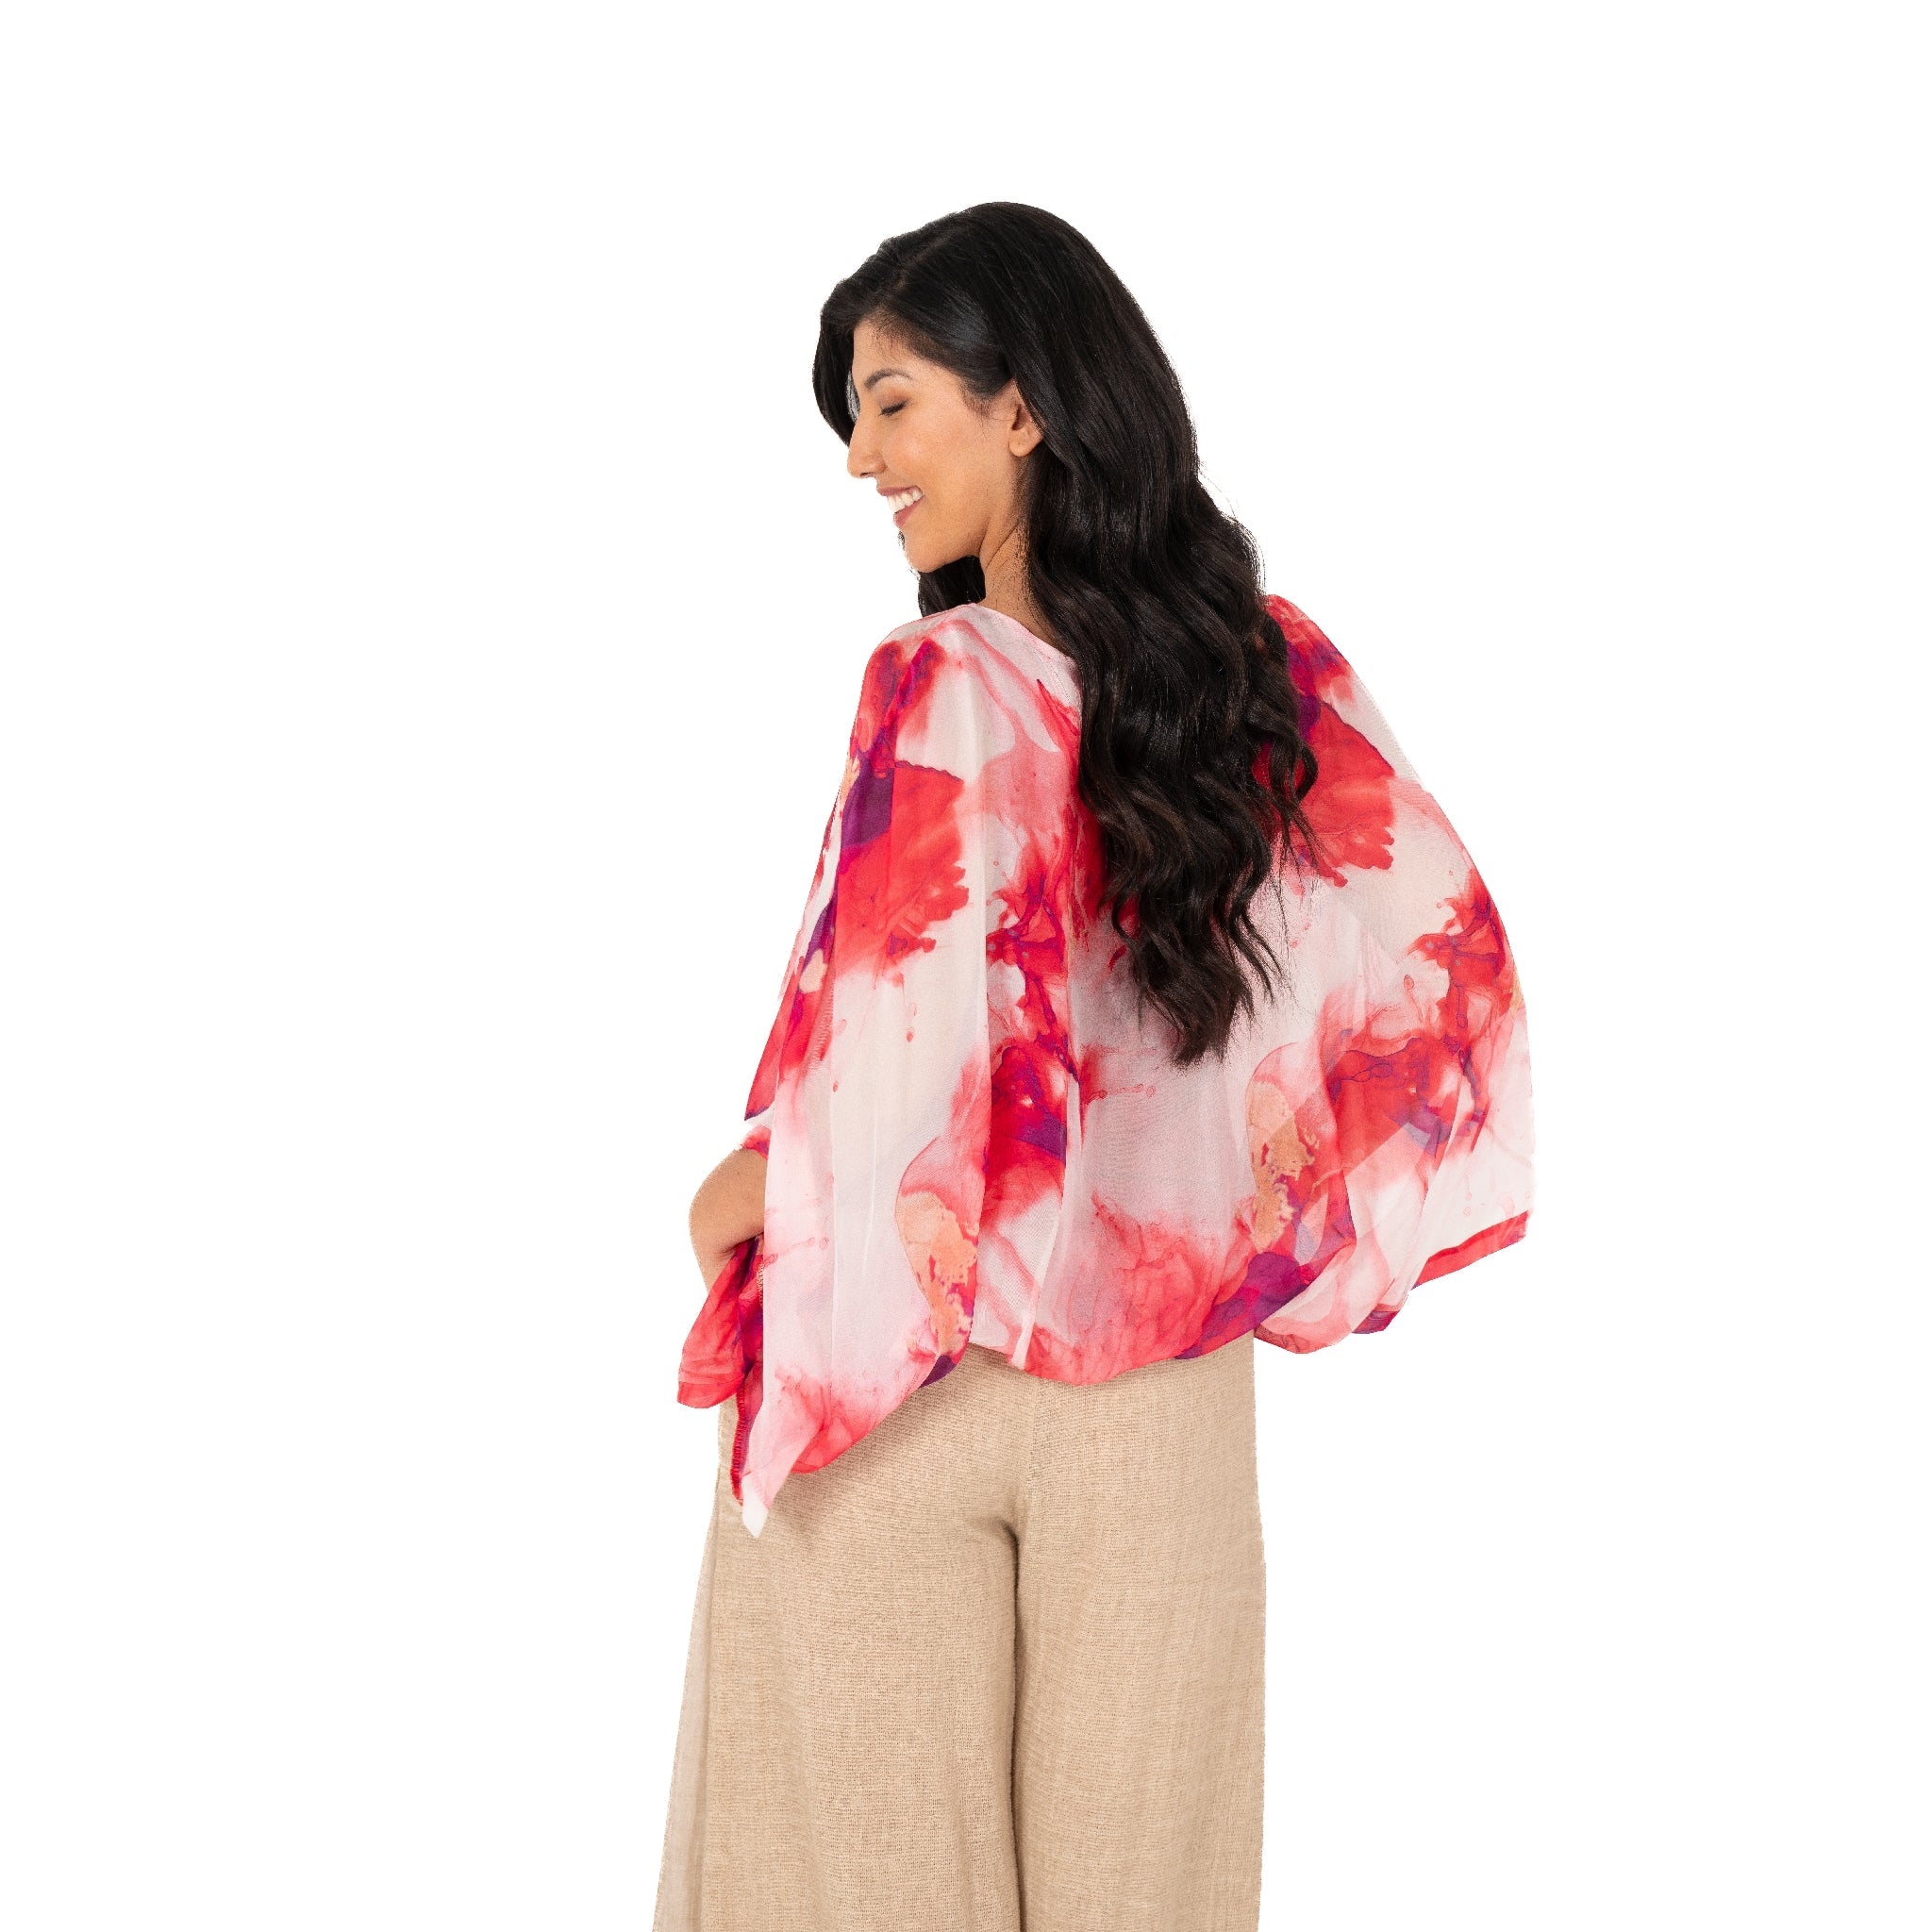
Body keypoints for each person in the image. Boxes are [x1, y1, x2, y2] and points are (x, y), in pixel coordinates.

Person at [653, 203, 1536, 1932]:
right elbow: (1446, 978)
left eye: (892, 404)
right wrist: (1228, 1184)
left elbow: (889, 1079)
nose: (860, 459)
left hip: (905, 1376)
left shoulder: (937, 682)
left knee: (859, 1894)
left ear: (1023, 408)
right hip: (1165, 1397)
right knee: (1154, 1898)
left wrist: (728, 1203)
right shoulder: (1267, 677)